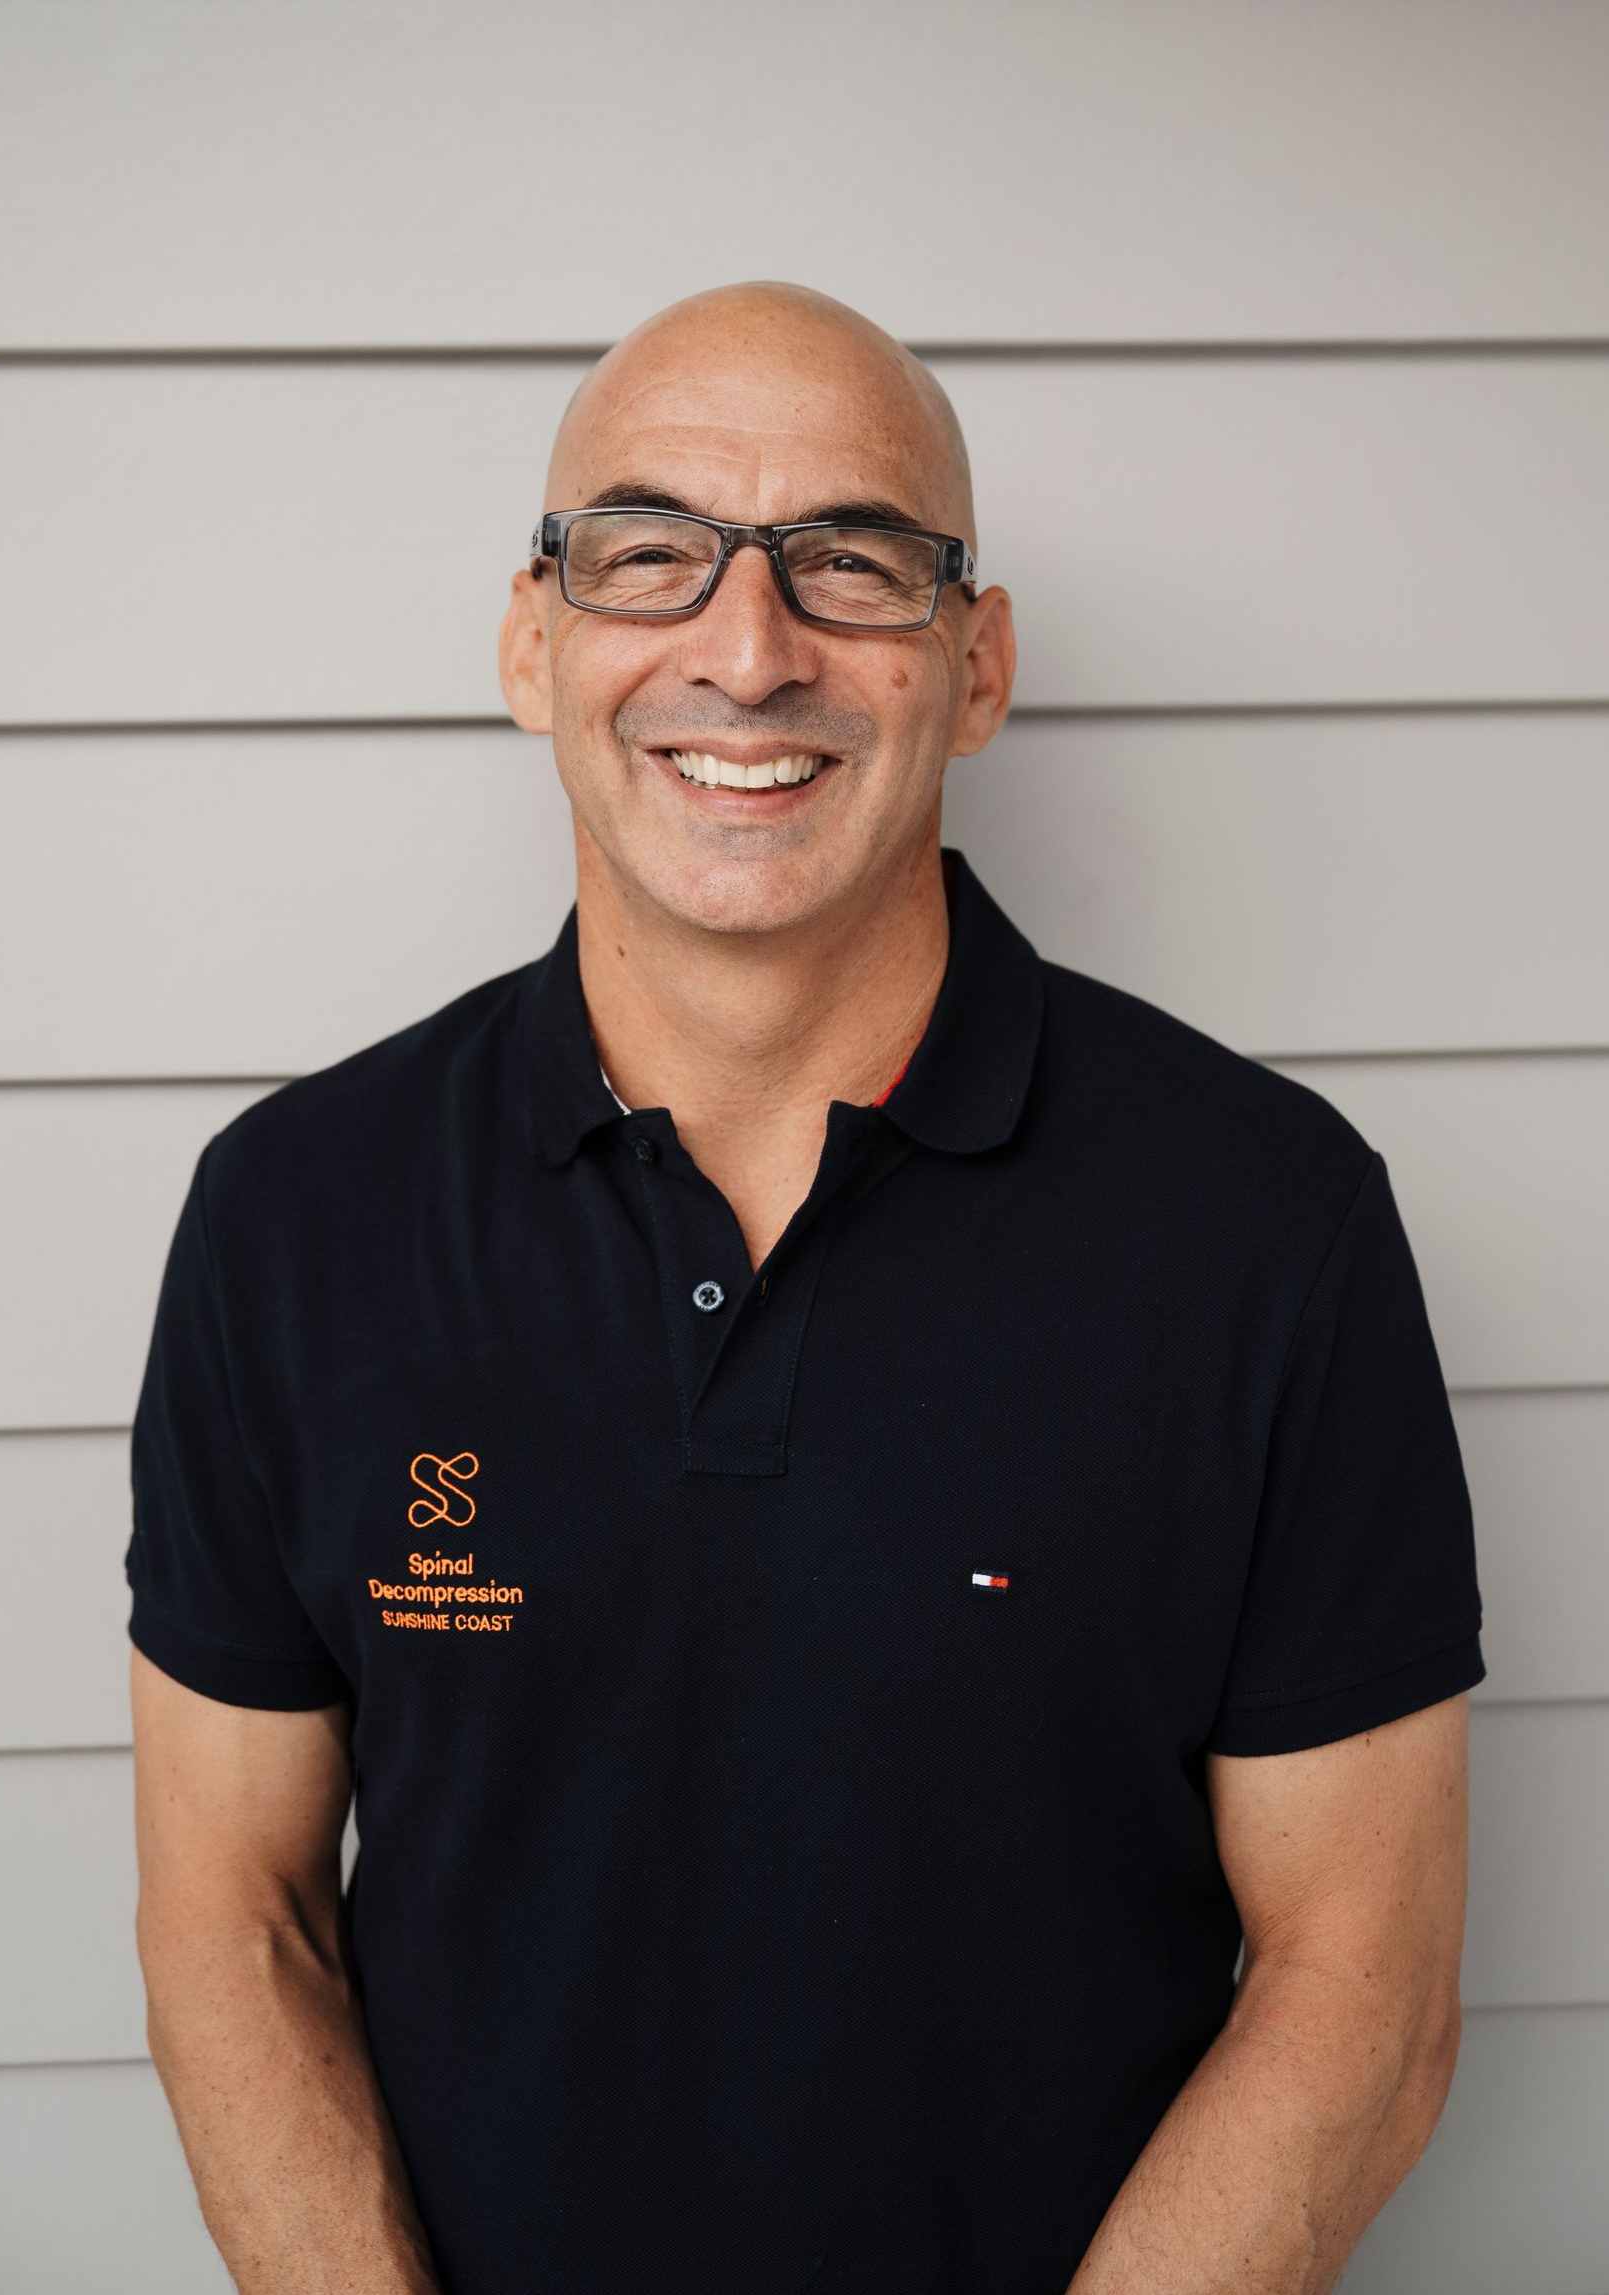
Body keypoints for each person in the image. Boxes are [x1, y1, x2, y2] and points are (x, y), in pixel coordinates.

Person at [125, 280, 1485, 2295]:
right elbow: (235, 1921)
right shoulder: (295, 1217)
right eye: (646, 555)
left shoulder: (1268, 1226)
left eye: (850, 563)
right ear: (533, 641)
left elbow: (1359, 1983)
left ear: (976, 661)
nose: (745, 654)